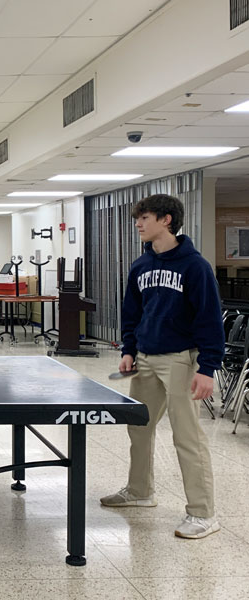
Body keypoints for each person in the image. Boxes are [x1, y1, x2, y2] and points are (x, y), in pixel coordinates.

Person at [100, 193, 224, 539]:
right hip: (145, 360)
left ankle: (202, 514)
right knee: (139, 428)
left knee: (188, 437)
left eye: (145, 218)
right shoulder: (141, 265)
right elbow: (132, 312)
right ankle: (140, 492)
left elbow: (210, 320)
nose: (138, 224)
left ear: (166, 220)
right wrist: (129, 349)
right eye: (138, 219)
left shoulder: (195, 266)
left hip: (181, 359)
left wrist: (207, 368)